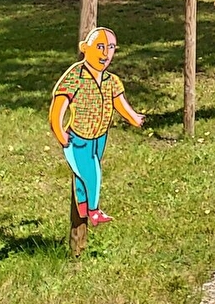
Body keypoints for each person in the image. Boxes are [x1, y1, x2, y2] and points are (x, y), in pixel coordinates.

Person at [49, 26, 144, 227]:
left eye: (111, 47)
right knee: (92, 173)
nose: (105, 54)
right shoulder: (75, 77)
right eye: (100, 47)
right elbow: (58, 107)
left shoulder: (111, 80)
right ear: (85, 48)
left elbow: (119, 103)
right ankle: (94, 210)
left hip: (100, 137)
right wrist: (60, 132)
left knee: (82, 175)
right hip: (78, 138)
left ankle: (83, 206)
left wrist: (133, 117)